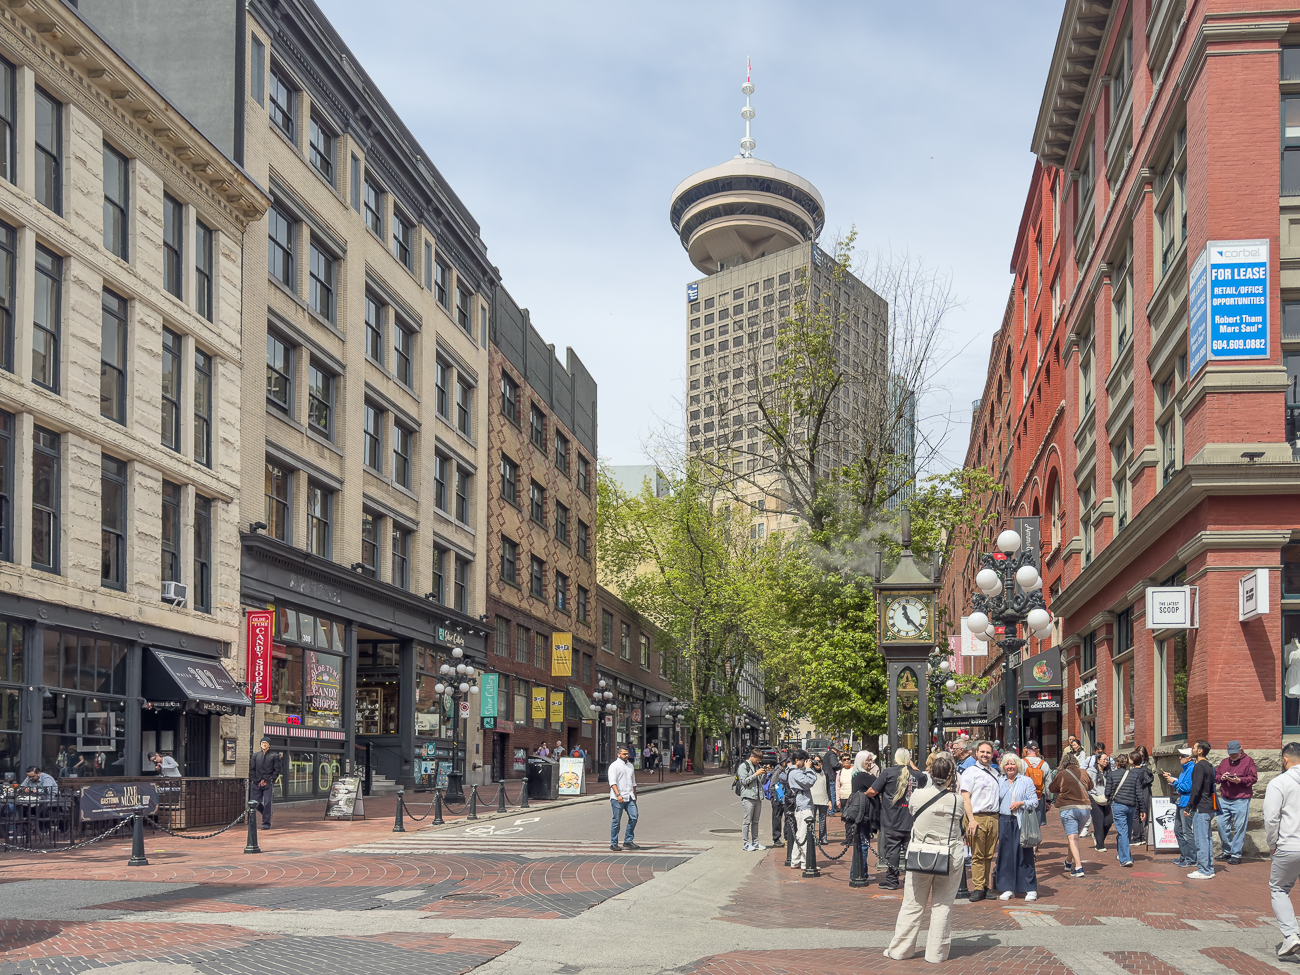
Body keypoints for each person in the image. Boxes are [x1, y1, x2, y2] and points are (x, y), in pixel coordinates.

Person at [883, 753, 965, 964]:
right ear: (950, 777)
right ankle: (936, 953)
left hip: (921, 854)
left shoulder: (918, 795)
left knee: (912, 904)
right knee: (942, 905)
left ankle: (901, 949)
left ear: (930, 773)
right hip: (948, 855)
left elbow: (912, 812)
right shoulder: (958, 800)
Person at [869, 748, 926, 891]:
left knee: (892, 851)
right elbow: (923, 780)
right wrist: (912, 766)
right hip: (911, 819)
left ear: (895, 758)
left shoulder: (888, 772)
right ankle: (910, 879)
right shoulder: (918, 775)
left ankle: (892, 880)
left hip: (892, 819)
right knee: (910, 850)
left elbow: (873, 791)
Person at [1264, 741, 1300, 956]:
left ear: (1285, 760)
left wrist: (1272, 844)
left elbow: (1270, 818)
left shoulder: (1279, 782)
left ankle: (1291, 935)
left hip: (1289, 844)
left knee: (1279, 889)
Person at [959, 741, 1001, 901]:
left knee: (988, 854)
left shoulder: (995, 773)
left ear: (992, 754)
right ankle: (978, 887)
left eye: (988, 752)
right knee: (977, 854)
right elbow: (965, 797)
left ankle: (985, 885)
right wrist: (971, 820)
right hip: (977, 816)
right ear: (976, 753)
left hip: (993, 817)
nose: (985, 755)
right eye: (982, 752)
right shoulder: (970, 772)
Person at [995, 754, 1039, 901]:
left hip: (1020, 820)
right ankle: (1007, 887)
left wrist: (1021, 803)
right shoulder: (999, 780)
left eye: (1012, 764)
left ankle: (1029, 888)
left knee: (1024, 854)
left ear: (1018, 766)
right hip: (1004, 819)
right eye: (1007, 764)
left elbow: (1034, 801)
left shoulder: (1026, 781)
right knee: (1006, 855)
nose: (1010, 767)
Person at [1049, 751, 1092, 879]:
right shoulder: (1084, 772)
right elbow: (1090, 786)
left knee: (1072, 838)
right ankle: (1068, 862)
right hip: (1084, 808)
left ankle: (1078, 867)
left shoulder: (1061, 774)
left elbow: (1052, 788)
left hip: (1068, 808)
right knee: (1074, 837)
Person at [1216, 740, 1257, 865]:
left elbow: (1253, 778)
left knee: (1239, 827)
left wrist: (1240, 780)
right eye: (1230, 754)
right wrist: (1221, 777)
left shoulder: (1248, 761)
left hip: (1241, 798)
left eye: (1235, 753)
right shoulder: (1224, 762)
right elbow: (1215, 776)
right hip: (1225, 798)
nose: (1232, 756)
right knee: (1221, 825)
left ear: (1240, 750)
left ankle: (1236, 853)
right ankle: (1227, 851)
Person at [1106, 752, 1150, 868]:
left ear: (1117, 763)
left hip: (1119, 805)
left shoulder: (1112, 774)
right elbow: (1139, 793)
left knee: (1122, 832)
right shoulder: (1133, 775)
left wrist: (1108, 799)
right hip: (1131, 806)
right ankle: (1122, 854)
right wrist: (1142, 809)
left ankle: (1125, 859)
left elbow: (1107, 792)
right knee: (1126, 831)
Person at [1162, 747, 1198, 867]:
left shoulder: (1191, 768)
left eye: (1182, 756)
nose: (1179, 758)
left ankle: (1191, 858)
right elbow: (1183, 785)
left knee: (1186, 831)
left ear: (1189, 758)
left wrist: (1174, 781)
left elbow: (1187, 788)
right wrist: (1173, 779)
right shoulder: (1185, 769)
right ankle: (1184, 855)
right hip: (1181, 802)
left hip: (1187, 803)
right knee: (1178, 830)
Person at [1187, 739, 1218, 879]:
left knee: (1201, 839)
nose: (1192, 750)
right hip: (1209, 806)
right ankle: (1209, 868)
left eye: (1194, 748)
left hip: (1201, 807)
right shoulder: (1210, 766)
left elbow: (1196, 788)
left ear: (1200, 750)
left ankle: (1204, 869)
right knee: (1207, 839)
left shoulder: (1199, 766)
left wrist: (1189, 806)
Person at [786, 749, 818, 869]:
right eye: (804, 760)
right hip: (803, 806)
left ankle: (795, 860)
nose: (805, 763)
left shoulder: (795, 771)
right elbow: (809, 781)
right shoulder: (795, 773)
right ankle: (806, 862)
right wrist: (809, 769)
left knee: (800, 834)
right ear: (797, 760)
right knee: (805, 834)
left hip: (802, 805)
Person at [608, 746, 639, 851]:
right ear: (618, 754)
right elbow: (612, 782)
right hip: (618, 798)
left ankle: (628, 840)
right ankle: (614, 843)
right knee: (616, 820)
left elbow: (633, 781)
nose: (626, 755)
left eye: (627, 754)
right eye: (624, 754)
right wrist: (618, 795)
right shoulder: (614, 766)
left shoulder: (630, 766)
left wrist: (634, 794)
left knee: (634, 816)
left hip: (630, 796)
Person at [736, 747, 766, 852]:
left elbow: (761, 782)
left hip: (757, 796)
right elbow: (744, 781)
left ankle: (755, 842)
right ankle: (746, 843)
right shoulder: (743, 766)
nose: (759, 762)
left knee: (756, 821)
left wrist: (763, 774)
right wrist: (756, 774)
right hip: (748, 797)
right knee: (747, 821)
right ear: (752, 756)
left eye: (760, 760)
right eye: (757, 759)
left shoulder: (757, 766)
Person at [248, 737, 281, 829]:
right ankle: (267, 813)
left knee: (267, 802)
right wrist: (255, 779)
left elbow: (277, 770)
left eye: (266, 743)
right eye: (262, 743)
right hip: (257, 782)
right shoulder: (255, 756)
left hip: (267, 782)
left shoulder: (274, 756)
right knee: (255, 802)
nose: (264, 744)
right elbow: (252, 769)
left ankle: (266, 823)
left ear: (269, 745)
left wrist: (270, 779)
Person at [1087, 752, 1114, 851]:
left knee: (1108, 821)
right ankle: (1100, 845)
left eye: (1107, 760)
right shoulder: (1091, 771)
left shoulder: (1109, 771)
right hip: (1094, 798)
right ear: (1098, 761)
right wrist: (1090, 795)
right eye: (1104, 760)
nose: (1106, 761)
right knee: (1099, 822)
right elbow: (1087, 784)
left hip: (1105, 799)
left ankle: (1097, 837)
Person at [1023, 741, 1052, 827]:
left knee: (1025, 822)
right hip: (1040, 796)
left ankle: (1025, 839)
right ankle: (1035, 839)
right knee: (1037, 823)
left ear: (1026, 750)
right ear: (1037, 750)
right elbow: (1048, 784)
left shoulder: (1021, 763)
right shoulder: (1044, 764)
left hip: (1025, 796)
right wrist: (1048, 800)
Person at [765, 756, 789, 849]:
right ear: (783, 762)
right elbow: (772, 785)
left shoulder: (786, 770)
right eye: (787, 761)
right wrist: (774, 797)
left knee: (787, 818)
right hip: (777, 799)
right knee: (777, 818)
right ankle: (776, 838)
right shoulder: (777, 771)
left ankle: (787, 837)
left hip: (785, 798)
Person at [810, 755, 831, 843]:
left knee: (823, 819)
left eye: (819, 761)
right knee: (812, 820)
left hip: (823, 799)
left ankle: (823, 837)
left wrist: (829, 800)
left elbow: (828, 787)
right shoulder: (810, 773)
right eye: (816, 762)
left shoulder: (825, 773)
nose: (818, 763)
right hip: (813, 799)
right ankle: (813, 838)